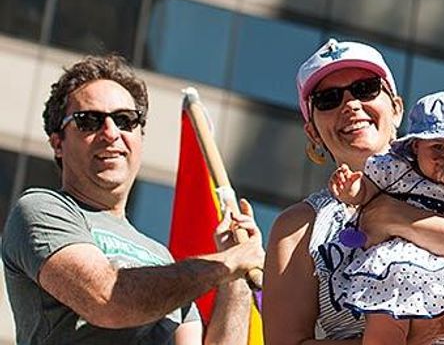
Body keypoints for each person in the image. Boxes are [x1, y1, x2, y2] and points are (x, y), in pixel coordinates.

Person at [262, 39, 444, 345]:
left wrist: (398, 218)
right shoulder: (298, 226)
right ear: (312, 130)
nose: (351, 105)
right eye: (328, 99)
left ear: (396, 108)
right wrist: (413, 334)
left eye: (366, 88)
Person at [2, 54, 265, 344]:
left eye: (125, 120)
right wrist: (224, 264)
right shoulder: (42, 210)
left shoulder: (162, 258)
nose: (111, 133)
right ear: (58, 144)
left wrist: (236, 277)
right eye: (89, 121)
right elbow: (108, 300)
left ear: (140, 136)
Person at [326, 91, 444, 345]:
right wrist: (353, 191)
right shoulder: (397, 169)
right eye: (438, 147)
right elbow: (368, 191)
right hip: (399, 262)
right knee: (385, 318)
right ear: (416, 146)